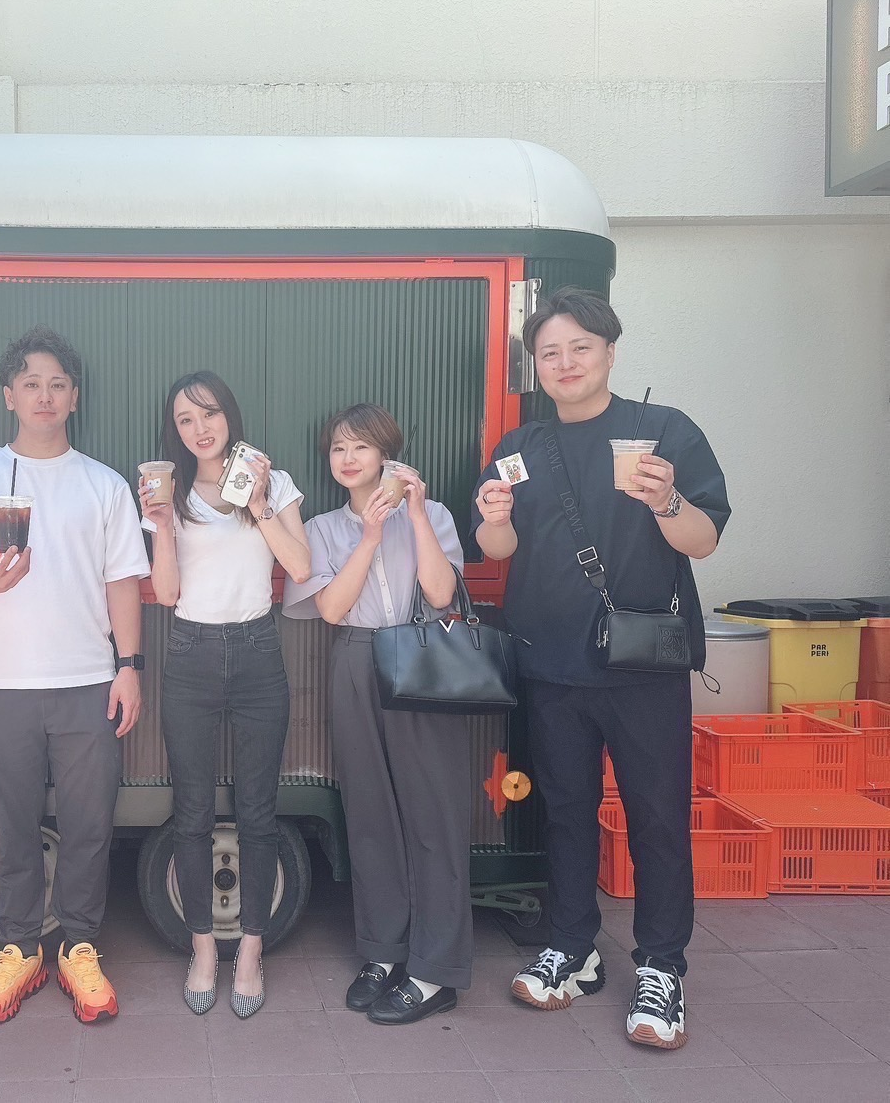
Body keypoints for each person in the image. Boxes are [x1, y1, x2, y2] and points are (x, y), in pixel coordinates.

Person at [472, 286, 729, 1051]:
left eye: (578, 348)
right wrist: (491, 521)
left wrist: (667, 501)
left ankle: (661, 965)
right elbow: (498, 551)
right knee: (562, 811)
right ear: (535, 366)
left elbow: (703, 540)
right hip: (549, 664)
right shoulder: (519, 448)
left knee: (657, 818)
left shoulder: (664, 432)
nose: (564, 363)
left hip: (641, 666)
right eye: (548, 352)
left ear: (608, 353)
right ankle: (572, 947)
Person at [0, 325, 149, 1025]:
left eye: (58, 384)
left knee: (89, 828)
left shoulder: (103, 484)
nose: (44, 395)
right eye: (30, 383)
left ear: (74, 397)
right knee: (11, 828)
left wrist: (128, 668)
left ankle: (80, 948)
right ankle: (19, 951)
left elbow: (123, 581)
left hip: (88, 681)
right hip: (2, 685)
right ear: (9, 395)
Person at [284, 403, 474, 1026]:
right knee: (368, 811)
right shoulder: (322, 528)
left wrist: (414, 516)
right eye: (338, 448)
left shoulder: (434, 515)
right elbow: (332, 610)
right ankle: (383, 952)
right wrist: (368, 536)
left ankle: (435, 969)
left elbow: (441, 594)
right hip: (357, 655)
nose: (348, 458)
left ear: (387, 454)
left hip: (423, 653)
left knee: (434, 812)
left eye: (361, 446)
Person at [139, 372, 311, 1019]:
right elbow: (165, 593)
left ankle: (251, 952)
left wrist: (259, 503)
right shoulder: (170, 491)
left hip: (259, 651)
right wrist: (161, 525)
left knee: (258, 812)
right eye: (184, 420)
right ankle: (204, 950)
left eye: (208, 413)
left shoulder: (271, 480)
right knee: (191, 812)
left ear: (229, 415)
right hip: (190, 653)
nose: (199, 428)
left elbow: (300, 568)